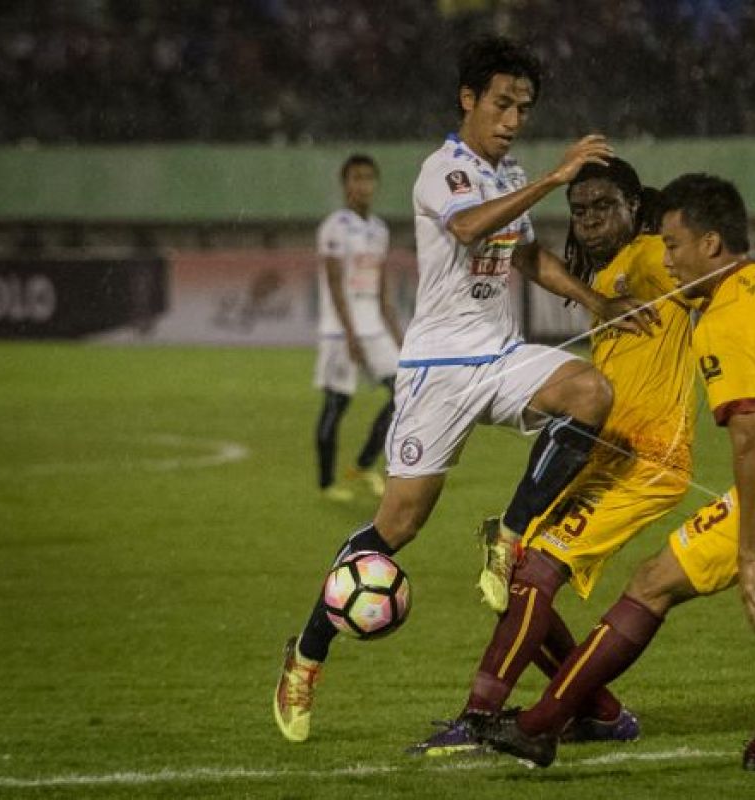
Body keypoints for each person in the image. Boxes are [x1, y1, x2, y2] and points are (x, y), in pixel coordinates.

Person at [274, 35, 654, 744]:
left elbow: (529, 254)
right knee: (395, 530)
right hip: (436, 372)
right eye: (503, 104)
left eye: (524, 108)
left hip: (500, 355)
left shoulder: (507, 171)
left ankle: (507, 534)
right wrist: (551, 177)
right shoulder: (441, 170)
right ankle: (305, 657)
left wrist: (589, 301)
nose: (513, 120)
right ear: (469, 100)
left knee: (590, 394)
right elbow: (473, 224)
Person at [472, 174, 755, 771]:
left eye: (675, 245)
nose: (667, 258)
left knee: (652, 582)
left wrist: (746, 554)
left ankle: (539, 726)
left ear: (711, 245)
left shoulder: (723, 323)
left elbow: (754, 448)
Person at [409, 157, 699, 756]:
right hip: (602, 454)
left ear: (635, 208)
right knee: (514, 575)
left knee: (534, 572)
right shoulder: (605, 276)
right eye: (580, 210)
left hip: (646, 461)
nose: (589, 221)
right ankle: (599, 710)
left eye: (604, 207)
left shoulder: (650, 259)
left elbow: (695, 272)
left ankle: (480, 717)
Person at [313, 154, 405, 503]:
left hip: (375, 328)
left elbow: (381, 289)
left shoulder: (379, 230)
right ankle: (326, 483)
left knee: (404, 393)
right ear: (345, 184)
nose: (362, 185)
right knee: (337, 403)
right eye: (356, 178)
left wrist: (398, 334)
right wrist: (349, 334)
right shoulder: (334, 227)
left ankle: (365, 463)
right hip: (341, 330)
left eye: (368, 178)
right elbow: (335, 286)